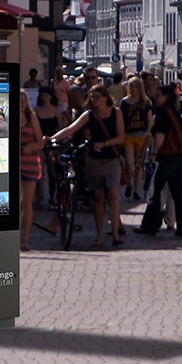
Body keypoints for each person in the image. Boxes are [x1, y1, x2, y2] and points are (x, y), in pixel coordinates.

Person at [51, 84, 125, 248]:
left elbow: (121, 137)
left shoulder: (116, 113)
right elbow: (70, 129)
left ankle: (115, 233)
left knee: (113, 195)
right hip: (95, 160)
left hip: (112, 159)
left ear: (106, 97)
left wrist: (104, 144)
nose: (94, 100)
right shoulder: (88, 115)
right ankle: (100, 235)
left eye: (97, 97)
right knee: (98, 198)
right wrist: (51, 139)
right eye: (91, 97)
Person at [133, 84, 182, 237]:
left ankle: (150, 225)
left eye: (158, 95)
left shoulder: (161, 114)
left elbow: (158, 135)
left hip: (165, 158)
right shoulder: (177, 114)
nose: (155, 98)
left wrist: (153, 154)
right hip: (180, 156)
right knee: (179, 193)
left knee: (154, 191)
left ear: (166, 97)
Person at [17, 91, 45, 251]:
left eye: (24, 101)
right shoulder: (5, 119)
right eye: (19, 101)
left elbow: (40, 142)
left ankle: (25, 239)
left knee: (27, 202)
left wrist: (30, 147)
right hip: (12, 165)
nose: (21, 104)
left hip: (29, 163)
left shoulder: (31, 118)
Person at [120, 76, 152, 199]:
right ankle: (129, 184)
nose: (133, 89)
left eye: (136, 86)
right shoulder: (124, 102)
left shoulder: (146, 102)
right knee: (129, 163)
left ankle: (136, 191)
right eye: (131, 86)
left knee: (139, 164)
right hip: (128, 136)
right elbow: (121, 120)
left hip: (141, 136)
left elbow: (150, 121)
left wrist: (150, 138)